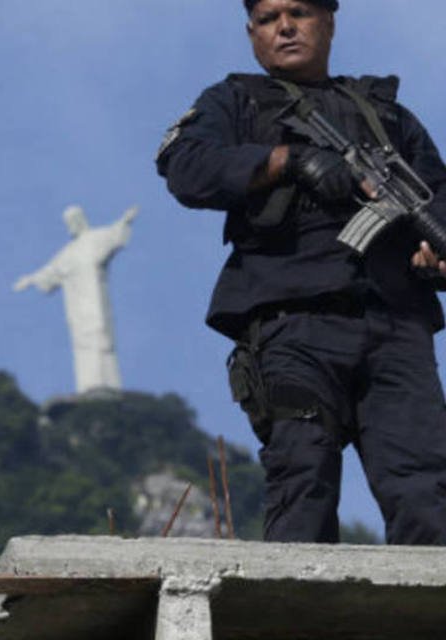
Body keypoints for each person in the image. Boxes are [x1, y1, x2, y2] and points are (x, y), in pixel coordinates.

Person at [156, 0, 446, 544]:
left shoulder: (387, 116)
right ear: (251, 33)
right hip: (292, 325)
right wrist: (288, 162)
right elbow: (187, 168)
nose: (284, 27)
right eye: (268, 19)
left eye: (298, 13)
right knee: (302, 475)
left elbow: (437, 200)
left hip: (396, 325)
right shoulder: (236, 101)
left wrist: (434, 258)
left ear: (329, 21)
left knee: (425, 490)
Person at [13, 205, 138, 393]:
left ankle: (108, 382)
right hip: (77, 307)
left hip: (96, 300)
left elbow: (114, 234)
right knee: (82, 343)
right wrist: (30, 280)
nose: (71, 225)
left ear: (80, 220)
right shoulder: (69, 252)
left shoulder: (95, 238)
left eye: (73, 220)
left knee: (101, 336)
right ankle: (89, 384)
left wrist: (126, 220)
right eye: (68, 222)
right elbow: (51, 271)